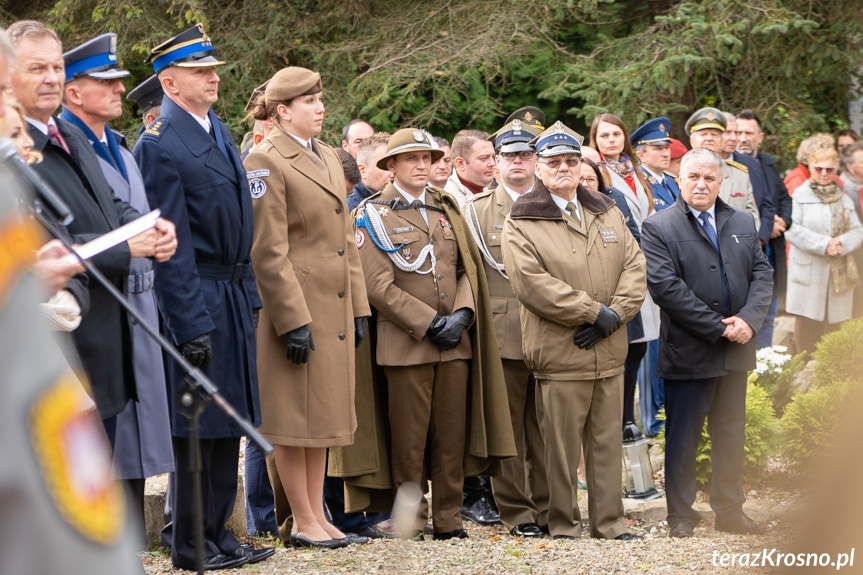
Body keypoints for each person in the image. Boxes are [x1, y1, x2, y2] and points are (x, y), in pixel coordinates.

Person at [134, 24, 272, 570]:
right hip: (198, 296)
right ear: (169, 83)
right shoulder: (160, 144)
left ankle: (221, 535)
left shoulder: (212, 128)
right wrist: (188, 324)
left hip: (233, 292)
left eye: (213, 70)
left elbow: (242, 225)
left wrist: (252, 297)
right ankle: (190, 542)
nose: (214, 78)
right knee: (197, 428)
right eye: (200, 72)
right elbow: (170, 246)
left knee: (229, 422)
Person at [8, 20, 177, 445]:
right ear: (7, 75)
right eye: (35, 69)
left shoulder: (66, 134)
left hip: (103, 343)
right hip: (60, 348)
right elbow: (34, 249)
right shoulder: (12, 149)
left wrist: (146, 225)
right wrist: (125, 249)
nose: (50, 78)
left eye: (55, 67)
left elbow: (105, 203)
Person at [345, 128, 514, 540]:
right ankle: (412, 521)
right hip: (406, 345)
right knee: (408, 442)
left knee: (452, 438)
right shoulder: (371, 214)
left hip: (455, 342)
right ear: (391, 166)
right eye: (411, 160)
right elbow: (375, 285)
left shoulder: (446, 208)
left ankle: (450, 521)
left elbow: (467, 270)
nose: (422, 166)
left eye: (427, 158)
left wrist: (461, 314)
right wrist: (428, 323)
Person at [244, 66, 371, 550]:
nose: (321, 108)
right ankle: (300, 519)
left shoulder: (325, 156)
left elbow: (345, 241)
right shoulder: (264, 159)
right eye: (310, 101)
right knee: (292, 420)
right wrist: (291, 320)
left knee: (321, 417)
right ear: (283, 111)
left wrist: (359, 306)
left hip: (334, 306)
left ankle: (317, 515)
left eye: (320, 98)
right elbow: (267, 251)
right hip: (295, 310)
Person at [501, 120, 645, 541]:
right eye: (554, 162)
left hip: (610, 346)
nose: (564, 168)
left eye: (571, 160)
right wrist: (590, 312)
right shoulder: (522, 218)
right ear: (539, 169)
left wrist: (614, 316)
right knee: (559, 451)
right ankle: (564, 525)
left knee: (606, 443)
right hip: (561, 351)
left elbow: (635, 266)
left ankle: (609, 524)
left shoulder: (607, 208)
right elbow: (531, 284)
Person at [60, 33, 174, 536]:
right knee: (101, 436)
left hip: (139, 302)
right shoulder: (63, 147)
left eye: (118, 80)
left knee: (130, 423)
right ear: (73, 93)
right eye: (103, 81)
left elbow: (127, 214)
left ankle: (125, 543)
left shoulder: (119, 148)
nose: (118, 89)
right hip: (90, 305)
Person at [641, 147, 773, 538]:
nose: (701, 184)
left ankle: (731, 511)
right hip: (690, 350)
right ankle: (681, 516)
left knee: (730, 435)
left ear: (721, 181)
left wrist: (748, 321)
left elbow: (763, 276)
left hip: (735, 351)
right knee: (683, 437)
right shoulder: (659, 226)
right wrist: (719, 327)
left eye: (709, 178)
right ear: (680, 178)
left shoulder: (743, 221)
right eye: (694, 177)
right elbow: (666, 289)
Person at [463, 119, 549, 538]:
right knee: (510, 430)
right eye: (509, 154)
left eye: (525, 154)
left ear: (536, 159)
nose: (518, 161)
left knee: (550, 427)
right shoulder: (476, 212)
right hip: (505, 333)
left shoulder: (556, 203)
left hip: (553, 332)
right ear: (496, 162)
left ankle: (553, 507)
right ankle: (519, 512)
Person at [590, 113, 658, 437]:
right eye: (604, 136)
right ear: (595, 140)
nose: (611, 141)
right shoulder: (596, 173)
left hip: (650, 258)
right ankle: (623, 419)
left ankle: (630, 419)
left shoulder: (636, 170)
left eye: (616, 134)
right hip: (623, 263)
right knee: (630, 341)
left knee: (643, 341)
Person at [785, 147, 863, 353]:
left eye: (830, 169)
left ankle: (831, 368)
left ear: (836, 170)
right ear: (810, 168)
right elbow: (790, 228)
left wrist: (842, 243)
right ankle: (804, 366)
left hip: (838, 269)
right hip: (808, 269)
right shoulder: (799, 195)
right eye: (819, 169)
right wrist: (824, 244)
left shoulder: (843, 197)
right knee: (806, 317)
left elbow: (857, 230)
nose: (824, 174)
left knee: (835, 320)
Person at [629, 118, 679, 435]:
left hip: (678, 273)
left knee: (671, 345)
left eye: (666, 147)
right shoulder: (639, 183)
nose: (665, 152)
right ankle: (653, 422)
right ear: (641, 153)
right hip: (654, 275)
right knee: (653, 350)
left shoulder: (671, 182)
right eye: (658, 148)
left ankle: (668, 413)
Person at [736, 108, 794, 346]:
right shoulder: (725, 166)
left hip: (770, 249)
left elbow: (784, 198)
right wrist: (764, 228)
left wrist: (783, 221)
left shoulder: (767, 163)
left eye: (748, 133)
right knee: (745, 312)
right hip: (743, 250)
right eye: (738, 132)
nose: (742, 138)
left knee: (769, 311)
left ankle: (766, 364)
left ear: (759, 137)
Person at [684, 107, 760, 232]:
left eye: (714, 134)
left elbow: (752, 218)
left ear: (721, 140)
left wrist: (741, 244)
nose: (709, 138)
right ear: (692, 141)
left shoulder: (740, 174)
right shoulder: (678, 174)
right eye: (703, 134)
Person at [719, 112, 775, 248]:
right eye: (727, 132)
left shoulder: (750, 164)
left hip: (748, 246)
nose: (734, 138)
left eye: (736, 133)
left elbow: (766, 205)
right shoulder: (700, 166)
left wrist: (760, 239)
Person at [445, 129, 495, 206]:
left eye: (493, 157)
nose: (492, 163)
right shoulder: (448, 202)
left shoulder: (487, 192)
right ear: (460, 163)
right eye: (484, 158)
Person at [347, 131, 391, 211]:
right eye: (385, 166)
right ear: (362, 171)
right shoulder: (349, 211)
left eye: (396, 166)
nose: (393, 173)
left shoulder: (406, 201)